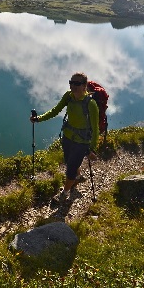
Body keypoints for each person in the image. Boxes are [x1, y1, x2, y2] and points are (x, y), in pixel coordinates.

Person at [30, 72, 99, 202]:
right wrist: (38, 119)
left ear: (84, 86)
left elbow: (95, 129)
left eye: (77, 83)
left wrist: (92, 149)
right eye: (71, 83)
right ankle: (77, 177)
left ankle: (65, 192)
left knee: (71, 168)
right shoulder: (68, 97)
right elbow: (55, 111)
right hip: (67, 137)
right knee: (69, 161)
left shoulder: (91, 104)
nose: (73, 86)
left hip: (81, 142)